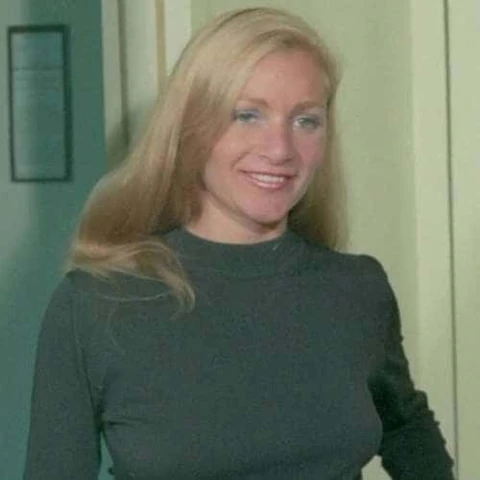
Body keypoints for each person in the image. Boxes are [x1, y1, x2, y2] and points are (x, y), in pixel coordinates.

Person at [24, 7, 454, 480]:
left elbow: (407, 427)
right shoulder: (96, 305)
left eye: (305, 121)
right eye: (248, 115)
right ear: (191, 126)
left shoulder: (357, 289)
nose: (280, 149)